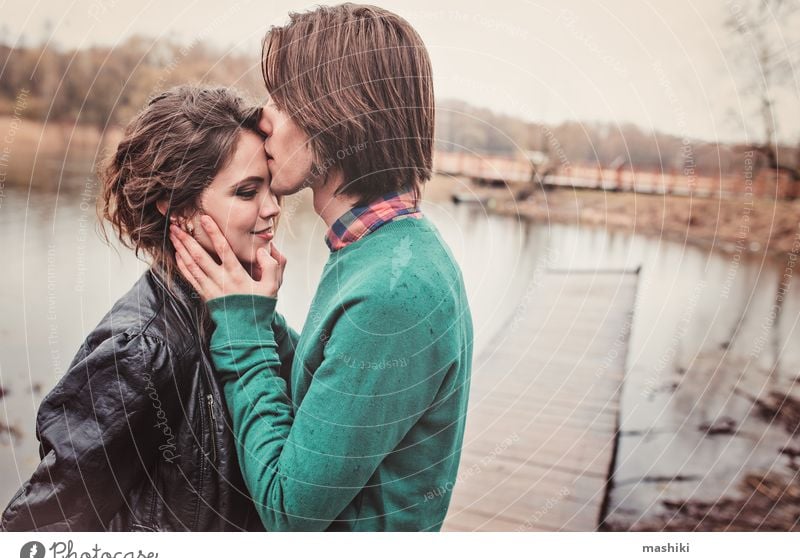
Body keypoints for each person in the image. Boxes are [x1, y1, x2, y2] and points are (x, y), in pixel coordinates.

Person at [170, 4, 474, 531]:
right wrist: (256, 315)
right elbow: (329, 385)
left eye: (283, 100)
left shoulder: (392, 291)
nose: (264, 117)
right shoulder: (381, 250)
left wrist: (242, 334)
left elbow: (290, 509)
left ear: (337, 116)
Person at [1, 85, 292, 531]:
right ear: (177, 206)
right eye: (248, 191)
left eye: (270, 187)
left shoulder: (254, 321)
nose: (272, 209)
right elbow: (41, 528)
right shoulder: (140, 351)